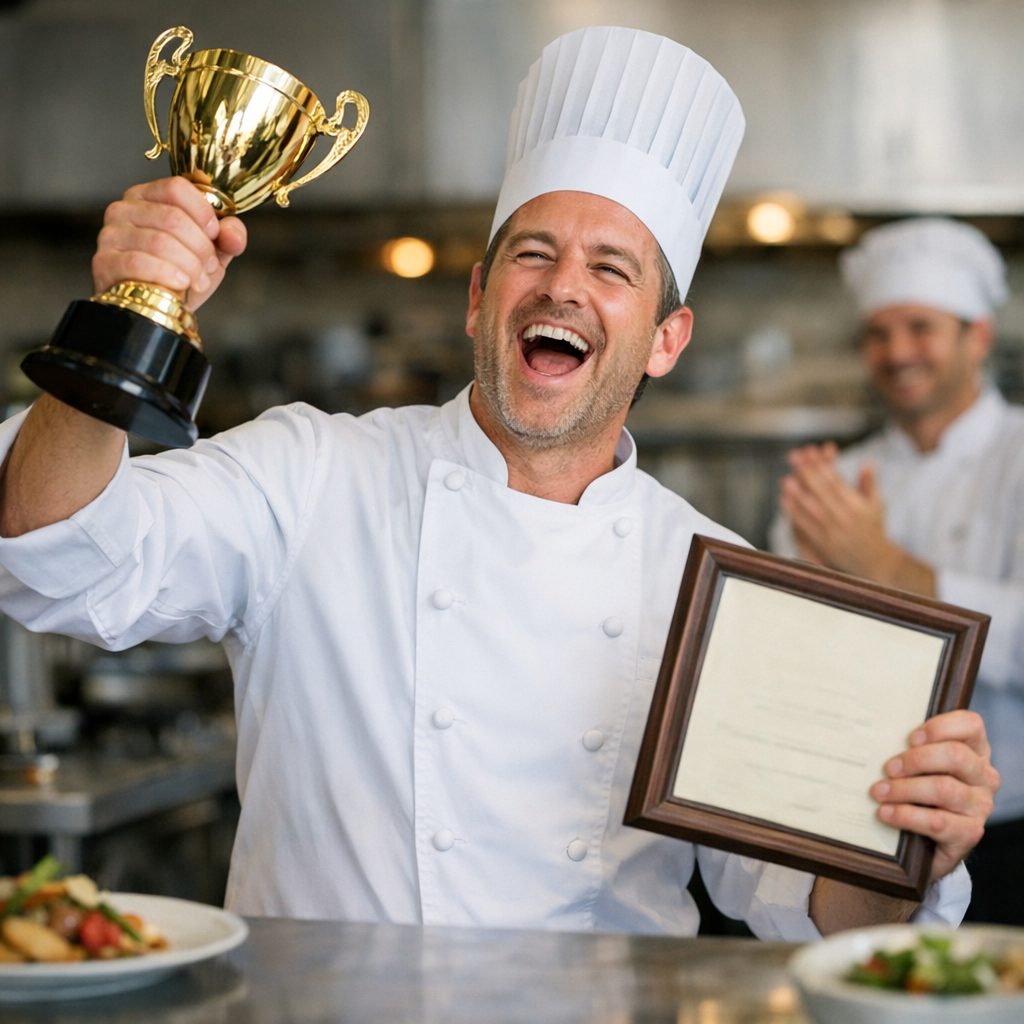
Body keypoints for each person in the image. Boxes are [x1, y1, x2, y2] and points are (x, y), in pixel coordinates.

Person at [0, 27, 997, 938]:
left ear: (665, 339)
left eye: (611, 268)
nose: (563, 285)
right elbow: (49, 554)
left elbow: (806, 908)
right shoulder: (311, 474)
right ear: (481, 297)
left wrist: (906, 842)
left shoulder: (709, 576)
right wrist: (125, 317)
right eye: (533, 252)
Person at [770, 216, 1021, 924]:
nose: (896, 351)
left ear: (978, 337)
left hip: (1010, 830)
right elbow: (784, 659)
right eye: (878, 333)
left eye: (919, 327)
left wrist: (885, 569)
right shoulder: (838, 479)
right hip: (859, 828)